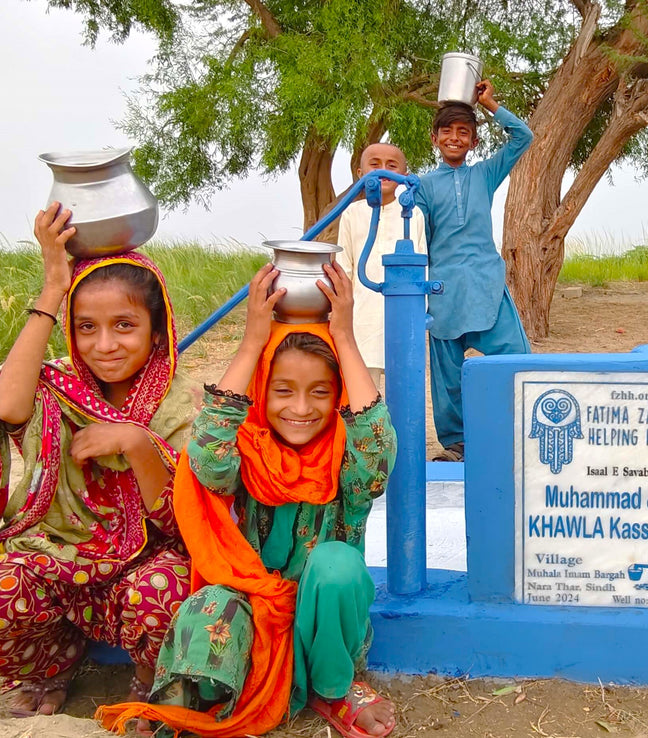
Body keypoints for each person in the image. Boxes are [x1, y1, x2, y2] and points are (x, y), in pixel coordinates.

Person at [97, 262, 397, 737]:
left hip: (325, 627)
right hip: (254, 614)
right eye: (283, 391)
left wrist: (344, 336)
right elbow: (208, 452)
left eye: (320, 392)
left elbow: (377, 448)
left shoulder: (348, 463)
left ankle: (336, 689)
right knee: (210, 601)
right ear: (262, 392)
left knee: (336, 564)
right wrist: (253, 339)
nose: (301, 409)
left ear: (337, 395)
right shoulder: (247, 452)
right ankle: (188, 705)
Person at [0, 202, 200, 719]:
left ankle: (146, 677)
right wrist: (52, 286)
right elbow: (7, 407)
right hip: (61, 558)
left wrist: (136, 442)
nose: (104, 345)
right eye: (86, 327)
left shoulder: (176, 404)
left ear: (158, 331)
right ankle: (50, 663)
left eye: (125, 325)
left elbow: (182, 524)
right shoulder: (58, 386)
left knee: (167, 594)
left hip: (140, 570)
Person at [415, 79, 533, 461]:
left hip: (486, 283)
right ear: (434, 139)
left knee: (515, 359)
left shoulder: (485, 174)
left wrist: (489, 105)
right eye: (447, 131)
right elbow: (413, 232)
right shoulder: (422, 186)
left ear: (474, 142)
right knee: (448, 375)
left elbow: (523, 137)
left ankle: (522, 430)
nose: (455, 138)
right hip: (444, 289)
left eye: (463, 132)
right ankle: (457, 444)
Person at [337, 142, 427, 393]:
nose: (383, 171)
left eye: (391, 166)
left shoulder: (412, 214)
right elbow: (345, 267)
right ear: (360, 173)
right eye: (374, 165)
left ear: (404, 177)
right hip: (362, 313)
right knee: (363, 386)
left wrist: (420, 311)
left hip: (403, 310)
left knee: (403, 385)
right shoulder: (352, 213)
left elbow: (422, 266)